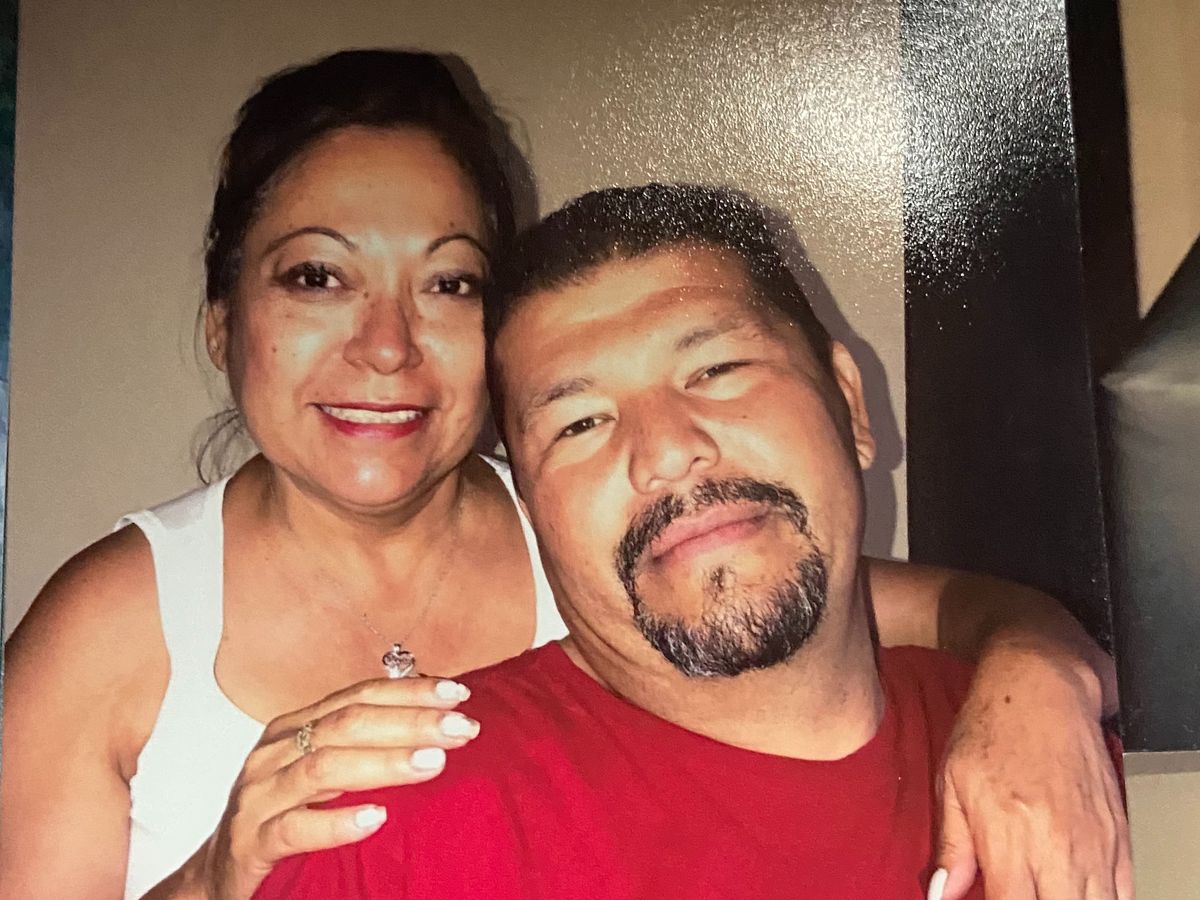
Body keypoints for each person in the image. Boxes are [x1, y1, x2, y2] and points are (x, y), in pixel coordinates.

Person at [0, 52, 1125, 900]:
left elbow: (935, 610)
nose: (387, 346)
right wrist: (211, 881)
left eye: (449, 284)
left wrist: (1044, 678)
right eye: (316, 277)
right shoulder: (112, 623)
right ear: (221, 321)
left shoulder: (622, 532)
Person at [256, 183, 1129, 900]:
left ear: (850, 404)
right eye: (580, 422)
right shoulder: (398, 836)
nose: (668, 451)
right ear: (533, 507)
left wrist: (1050, 673)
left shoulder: (1054, 759)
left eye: (717, 370)